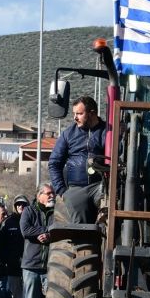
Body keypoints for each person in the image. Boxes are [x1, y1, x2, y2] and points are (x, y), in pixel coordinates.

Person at [48, 95, 107, 225]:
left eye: (79, 114)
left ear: (92, 114)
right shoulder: (68, 134)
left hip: (101, 185)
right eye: (74, 114)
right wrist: (62, 191)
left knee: (110, 203)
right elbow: (54, 163)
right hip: (77, 189)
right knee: (79, 228)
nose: (75, 117)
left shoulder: (107, 132)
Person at [20, 184, 54, 298]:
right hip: (31, 265)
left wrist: (49, 235)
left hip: (51, 266)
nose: (51, 196)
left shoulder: (57, 212)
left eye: (53, 193)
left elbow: (62, 229)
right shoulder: (29, 211)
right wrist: (43, 232)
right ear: (39, 195)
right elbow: (25, 230)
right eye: (48, 193)